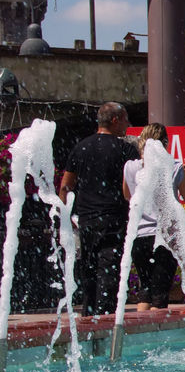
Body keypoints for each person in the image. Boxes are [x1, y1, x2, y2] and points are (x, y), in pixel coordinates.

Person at [58, 102, 138, 316]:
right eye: (125, 119)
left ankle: (88, 317)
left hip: (87, 220)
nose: (128, 124)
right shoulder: (126, 149)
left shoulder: (81, 147)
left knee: (89, 270)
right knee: (109, 273)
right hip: (114, 218)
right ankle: (105, 320)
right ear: (115, 120)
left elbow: (66, 186)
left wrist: (64, 219)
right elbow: (133, 185)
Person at [122, 123, 185, 310]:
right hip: (164, 237)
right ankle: (155, 336)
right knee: (160, 294)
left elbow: (127, 195)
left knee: (146, 289)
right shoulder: (173, 167)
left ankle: (140, 336)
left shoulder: (131, 167)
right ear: (165, 144)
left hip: (139, 236)